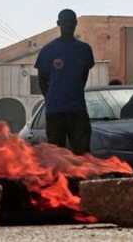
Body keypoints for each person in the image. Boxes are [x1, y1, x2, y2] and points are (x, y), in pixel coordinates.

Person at [35, 9, 95, 155]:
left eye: (71, 22)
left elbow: (83, 77)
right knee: (57, 156)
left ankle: (84, 179)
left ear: (76, 23)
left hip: (77, 110)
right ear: (58, 23)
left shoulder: (84, 49)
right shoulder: (48, 50)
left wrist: (74, 93)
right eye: (65, 22)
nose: (68, 25)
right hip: (55, 111)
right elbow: (42, 79)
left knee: (82, 154)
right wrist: (50, 99)